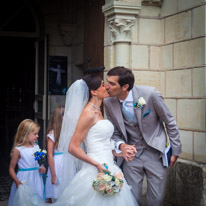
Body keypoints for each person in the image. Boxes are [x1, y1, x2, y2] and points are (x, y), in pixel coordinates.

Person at [51, 74, 138, 206]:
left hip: (110, 166)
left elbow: (100, 142)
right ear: (93, 91)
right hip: (95, 170)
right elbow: (73, 147)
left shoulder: (98, 111)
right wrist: (96, 164)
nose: (107, 87)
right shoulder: (88, 114)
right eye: (103, 84)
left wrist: (120, 153)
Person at [104, 66, 182, 206]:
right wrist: (122, 146)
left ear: (125, 86)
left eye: (112, 83)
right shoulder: (108, 102)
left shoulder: (150, 94)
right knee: (132, 199)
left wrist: (175, 150)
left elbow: (169, 122)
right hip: (131, 157)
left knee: (156, 200)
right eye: (107, 82)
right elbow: (113, 132)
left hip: (154, 153)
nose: (107, 87)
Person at [8, 119, 46, 206]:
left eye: (38, 133)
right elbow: (11, 169)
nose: (37, 136)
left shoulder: (36, 146)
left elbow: (40, 163)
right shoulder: (18, 150)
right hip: (24, 179)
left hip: (36, 178)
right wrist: (17, 181)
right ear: (26, 133)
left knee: (36, 200)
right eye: (35, 134)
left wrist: (42, 167)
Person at [45, 106, 65, 203]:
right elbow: (50, 155)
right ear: (60, 117)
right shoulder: (52, 134)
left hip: (67, 163)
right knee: (56, 191)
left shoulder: (67, 132)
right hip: (57, 164)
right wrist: (53, 175)